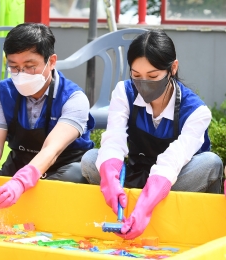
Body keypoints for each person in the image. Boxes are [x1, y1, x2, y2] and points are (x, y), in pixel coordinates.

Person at [81, 29, 223, 239]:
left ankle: (143, 205)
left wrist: (146, 204)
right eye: (136, 76)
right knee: (90, 159)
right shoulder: (124, 92)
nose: (143, 84)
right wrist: (110, 179)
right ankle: (121, 199)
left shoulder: (196, 111)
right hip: (135, 172)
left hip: (173, 180)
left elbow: (172, 161)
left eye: (153, 76)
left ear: (172, 68)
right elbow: (114, 139)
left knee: (211, 163)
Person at [0, 23, 95, 209]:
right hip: (18, 165)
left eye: (30, 66)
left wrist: (21, 182)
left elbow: (52, 150)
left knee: (74, 176)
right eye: (14, 67)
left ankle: (26, 198)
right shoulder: (4, 91)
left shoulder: (74, 98)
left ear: (51, 61)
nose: (21, 74)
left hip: (59, 169)